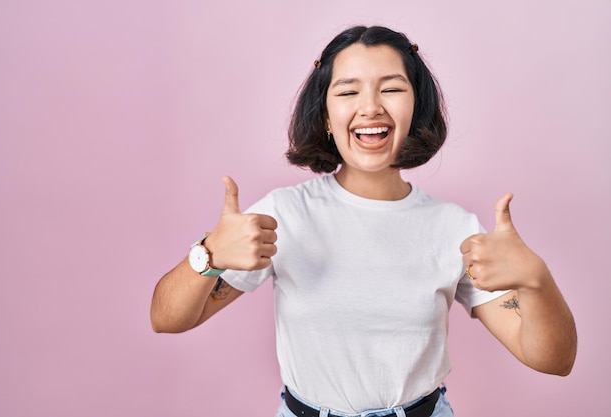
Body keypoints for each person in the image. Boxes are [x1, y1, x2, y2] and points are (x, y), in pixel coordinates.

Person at [150, 25, 577, 417]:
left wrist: (537, 281)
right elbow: (167, 319)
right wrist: (210, 255)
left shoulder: (455, 228)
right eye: (348, 92)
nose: (370, 107)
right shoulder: (284, 214)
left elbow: (553, 360)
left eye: (391, 88)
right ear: (325, 116)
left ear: (417, 108)